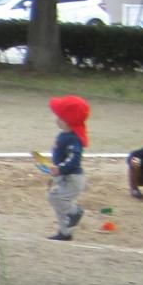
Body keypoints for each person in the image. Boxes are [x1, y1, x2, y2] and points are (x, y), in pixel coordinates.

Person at [46, 95, 88, 241]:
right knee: (55, 198)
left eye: (59, 117)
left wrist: (61, 169)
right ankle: (65, 232)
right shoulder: (65, 135)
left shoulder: (73, 139)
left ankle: (74, 212)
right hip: (64, 176)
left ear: (68, 121)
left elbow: (74, 159)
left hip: (72, 178)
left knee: (57, 199)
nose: (56, 119)